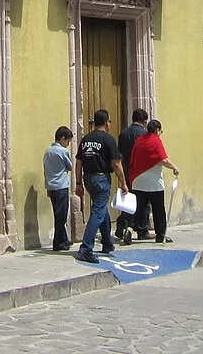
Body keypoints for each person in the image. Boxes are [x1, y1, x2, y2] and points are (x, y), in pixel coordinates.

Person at [74, 109, 128, 264]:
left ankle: (107, 242)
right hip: (101, 178)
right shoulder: (108, 140)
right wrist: (123, 183)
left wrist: (78, 183)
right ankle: (86, 248)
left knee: (101, 207)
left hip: (88, 177)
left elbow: (79, 162)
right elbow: (116, 164)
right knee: (98, 211)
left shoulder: (86, 139)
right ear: (106, 123)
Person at [128, 119, 179, 243]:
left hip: (138, 180)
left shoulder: (140, 140)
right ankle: (160, 235)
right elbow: (162, 159)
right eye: (160, 131)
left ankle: (135, 230)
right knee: (158, 209)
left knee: (139, 208)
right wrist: (174, 167)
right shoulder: (156, 141)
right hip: (153, 183)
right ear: (157, 130)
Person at [115, 108, 151, 244]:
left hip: (126, 169)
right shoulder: (144, 134)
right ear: (144, 121)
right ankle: (142, 229)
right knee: (143, 201)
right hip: (140, 171)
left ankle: (122, 223)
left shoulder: (123, 133)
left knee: (128, 199)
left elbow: (120, 153)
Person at [43, 126, 74, 251]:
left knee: (57, 213)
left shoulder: (48, 151)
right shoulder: (62, 151)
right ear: (62, 139)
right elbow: (70, 166)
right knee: (61, 216)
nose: (68, 144)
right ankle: (58, 243)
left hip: (51, 186)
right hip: (61, 186)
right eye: (68, 141)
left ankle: (64, 239)